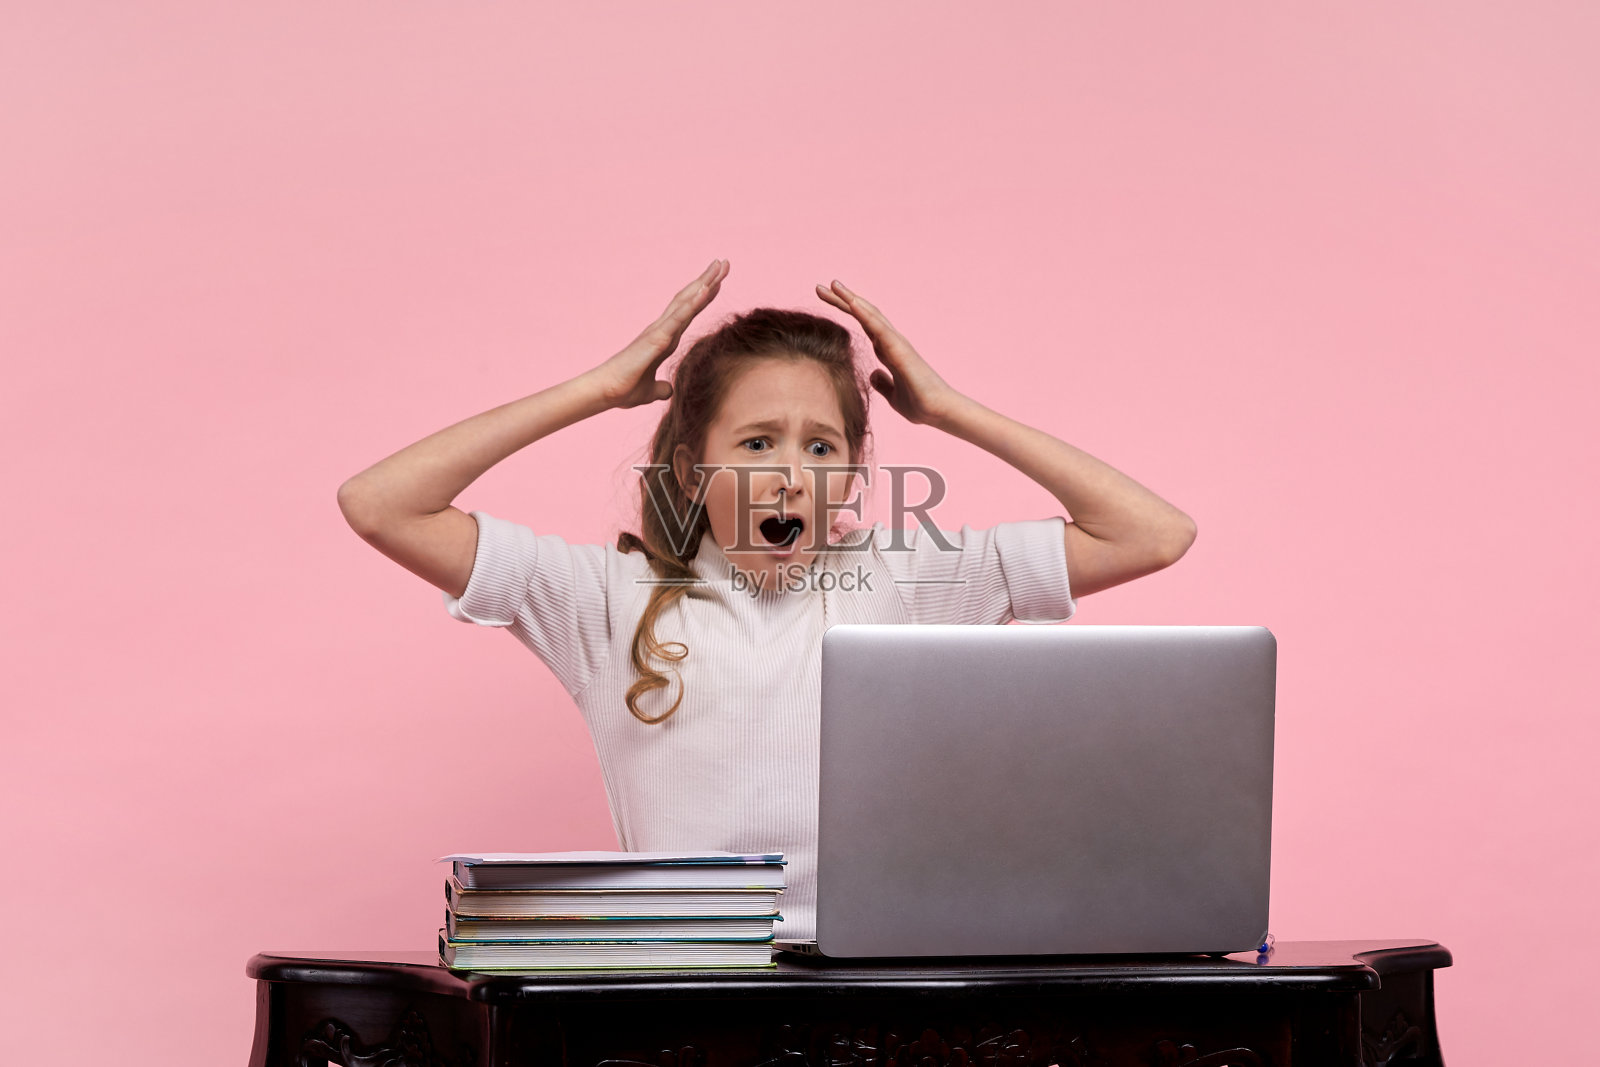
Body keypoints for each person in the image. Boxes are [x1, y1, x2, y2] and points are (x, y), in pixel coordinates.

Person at [336, 259, 1197, 940]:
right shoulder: (607, 597)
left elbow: (1150, 533)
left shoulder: (911, 577)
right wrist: (598, 389)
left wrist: (951, 410)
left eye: (822, 446)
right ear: (688, 468)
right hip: (682, 990)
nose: (791, 473)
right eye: (756, 442)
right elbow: (381, 503)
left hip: (876, 988)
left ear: (855, 473)